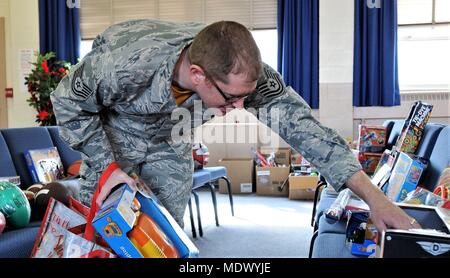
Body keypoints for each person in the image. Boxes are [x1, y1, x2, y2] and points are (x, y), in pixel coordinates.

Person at [51, 19, 419, 231]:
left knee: (163, 237)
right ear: (198, 76)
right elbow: (66, 101)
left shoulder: (242, 75)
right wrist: (109, 165)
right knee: (96, 231)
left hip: (170, 141)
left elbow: (308, 132)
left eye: (245, 96)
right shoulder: (124, 62)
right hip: (114, 136)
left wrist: (376, 200)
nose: (240, 107)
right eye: (230, 99)